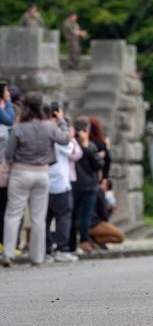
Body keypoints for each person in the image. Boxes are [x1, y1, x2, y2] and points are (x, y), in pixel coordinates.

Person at [3, 92, 70, 266]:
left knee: (13, 214)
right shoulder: (49, 126)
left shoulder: (19, 128)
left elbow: (9, 153)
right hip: (42, 173)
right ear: (41, 107)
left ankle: (9, 253)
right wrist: (61, 120)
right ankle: (37, 256)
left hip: (20, 172)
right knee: (38, 217)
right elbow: (65, 139)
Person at [47, 105, 80, 262]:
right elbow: (70, 148)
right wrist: (62, 123)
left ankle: (45, 249)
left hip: (42, 181)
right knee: (63, 217)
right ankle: (62, 248)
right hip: (59, 182)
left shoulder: (40, 129)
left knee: (43, 218)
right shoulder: (58, 133)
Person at [71, 119, 103, 252]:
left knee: (72, 214)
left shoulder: (71, 145)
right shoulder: (90, 146)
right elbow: (98, 165)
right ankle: (83, 240)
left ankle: (71, 243)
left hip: (74, 184)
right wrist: (88, 148)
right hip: (88, 185)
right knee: (85, 215)